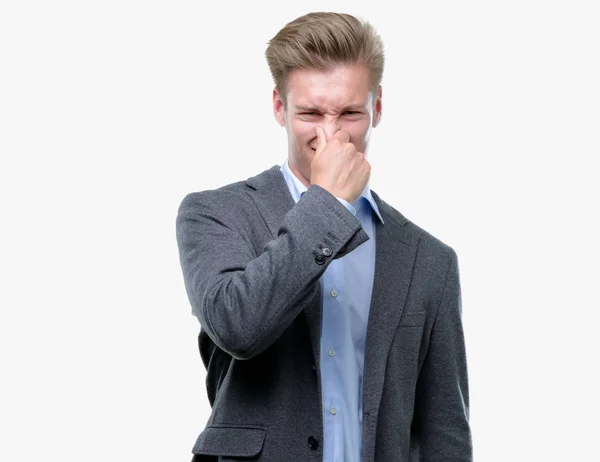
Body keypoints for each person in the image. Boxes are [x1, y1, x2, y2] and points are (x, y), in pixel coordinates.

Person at [176, 11, 472, 462]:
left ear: (377, 107)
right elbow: (238, 326)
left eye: (350, 113)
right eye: (310, 113)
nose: (330, 134)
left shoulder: (429, 260)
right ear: (279, 106)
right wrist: (327, 205)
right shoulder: (216, 215)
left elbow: (443, 432)